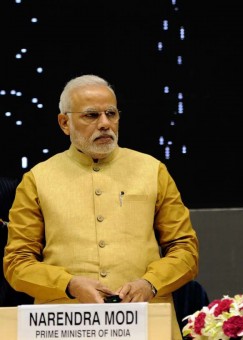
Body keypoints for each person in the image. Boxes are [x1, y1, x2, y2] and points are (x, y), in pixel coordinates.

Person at [3, 74, 199, 339]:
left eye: (111, 113)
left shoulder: (153, 170)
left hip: (144, 321)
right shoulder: (37, 179)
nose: (105, 124)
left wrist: (150, 284)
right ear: (64, 123)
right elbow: (17, 263)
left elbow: (185, 249)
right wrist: (69, 285)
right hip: (66, 325)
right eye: (91, 115)